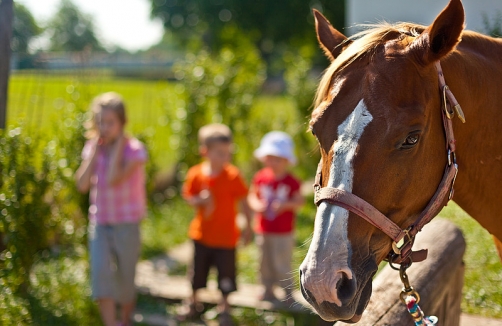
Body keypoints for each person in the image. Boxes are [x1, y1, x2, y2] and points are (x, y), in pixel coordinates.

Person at [75, 92, 147, 326]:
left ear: (122, 123)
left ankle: (124, 320)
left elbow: (114, 178)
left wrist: (115, 149)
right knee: (101, 276)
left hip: (127, 223)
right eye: (100, 122)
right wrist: (94, 154)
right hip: (101, 222)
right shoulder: (93, 148)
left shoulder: (134, 151)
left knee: (126, 278)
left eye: (110, 123)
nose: (104, 128)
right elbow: (82, 184)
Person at [181, 123, 252, 326]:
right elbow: (188, 197)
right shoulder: (196, 174)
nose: (225, 157)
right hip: (201, 235)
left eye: (227, 153)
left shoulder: (233, 176)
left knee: (226, 275)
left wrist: (247, 227)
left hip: (226, 238)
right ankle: (193, 303)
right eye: (220, 153)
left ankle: (225, 309)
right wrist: (199, 201)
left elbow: (244, 202)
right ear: (205, 151)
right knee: (197, 273)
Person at [248, 131, 304, 304]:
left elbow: (299, 201)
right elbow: (252, 196)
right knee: (264, 261)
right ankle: (267, 289)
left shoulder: (291, 181)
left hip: (283, 232)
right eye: (269, 158)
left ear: (286, 161)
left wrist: (285, 205)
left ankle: (287, 292)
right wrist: (257, 205)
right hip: (264, 230)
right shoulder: (260, 178)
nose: (272, 162)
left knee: (282, 262)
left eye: (277, 159)